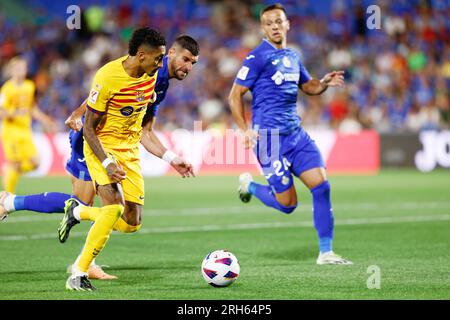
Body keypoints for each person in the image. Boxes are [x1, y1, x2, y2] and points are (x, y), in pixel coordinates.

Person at [0, 35, 200, 281]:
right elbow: (102, 91)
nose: (189, 67)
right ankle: (84, 263)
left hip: (118, 145)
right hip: (92, 140)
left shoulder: (160, 83)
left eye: (193, 63)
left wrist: (170, 157)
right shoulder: (147, 70)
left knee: (120, 216)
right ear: (170, 53)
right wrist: (77, 113)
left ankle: (11, 203)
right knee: (99, 205)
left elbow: (145, 130)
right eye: (186, 60)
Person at [228, 3, 352, 265]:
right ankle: (249, 185)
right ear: (263, 28)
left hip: (296, 135)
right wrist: (245, 129)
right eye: (269, 23)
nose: (274, 26)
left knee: (322, 186)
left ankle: (326, 252)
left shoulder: (293, 56)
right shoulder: (256, 57)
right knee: (287, 204)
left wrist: (324, 83)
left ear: (287, 24)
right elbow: (234, 95)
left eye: (278, 21)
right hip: (269, 140)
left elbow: (308, 86)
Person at [0, 57, 56, 195]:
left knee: (35, 163)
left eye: (23, 68)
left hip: (25, 131)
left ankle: (9, 170)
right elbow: (1, 112)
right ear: (12, 70)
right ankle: (7, 197)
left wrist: (45, 120)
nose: (22, 70)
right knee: (15, 163)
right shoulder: (7, 89)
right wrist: (16, 112)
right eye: (18, 68)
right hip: (10, 131)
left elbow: (32, 109)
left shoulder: (29, 86)